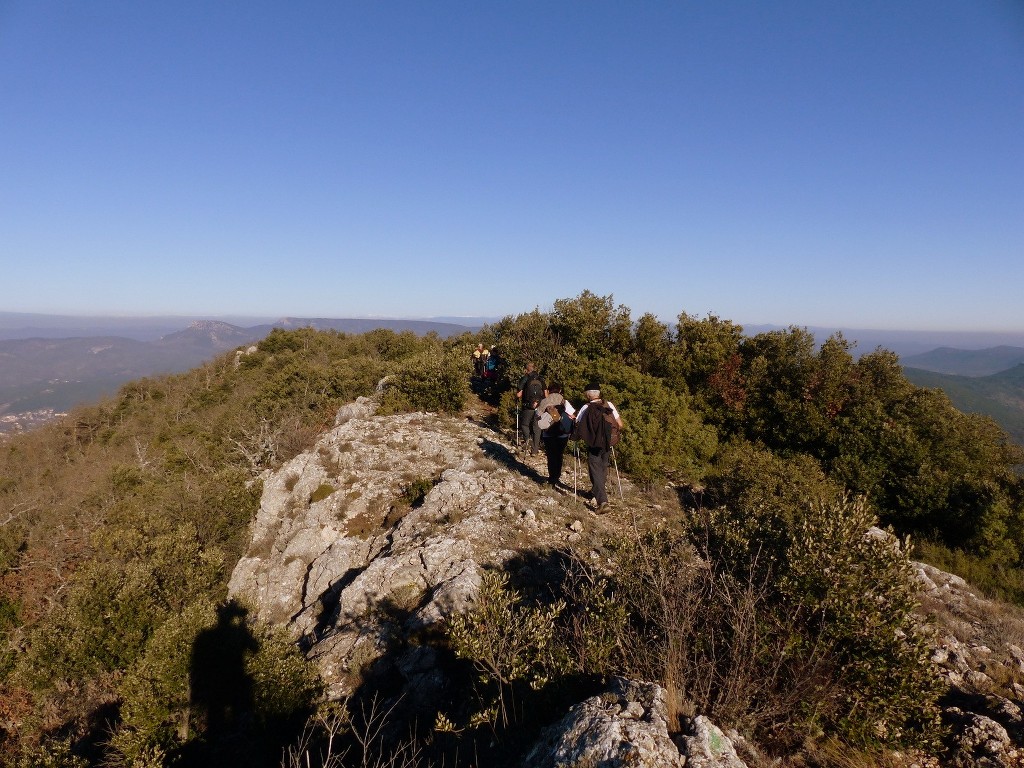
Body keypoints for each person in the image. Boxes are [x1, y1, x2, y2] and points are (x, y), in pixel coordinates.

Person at [573, 383, 623, 512]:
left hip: (594, 442)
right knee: (602, 467)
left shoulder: (586, 407)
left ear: (588, 394)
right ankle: (596, 491)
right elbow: (620, 424)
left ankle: (603, 502)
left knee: (595, 468)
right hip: (608, 442)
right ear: (599, 393)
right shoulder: (609, 405)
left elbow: (577, 424)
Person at [538, 383, 575, 487]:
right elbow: (572, 414)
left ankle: (552, 477)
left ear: (548, 391)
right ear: (559, 391)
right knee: (559, 455)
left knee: (551, 455)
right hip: (562, 433)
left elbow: (538, 415)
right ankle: (556, 476)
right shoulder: (564, 401)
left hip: (548, 433)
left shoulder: (544, 401)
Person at [516, 363, 546, 455]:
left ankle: (527, 441)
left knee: (525, 425)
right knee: (537, 428)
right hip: (539, 407)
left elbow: (519, 394)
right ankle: (534, 450)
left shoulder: (525, 378)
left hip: (528, 406)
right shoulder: (541, 379)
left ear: (526, 369)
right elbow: (546, 394)